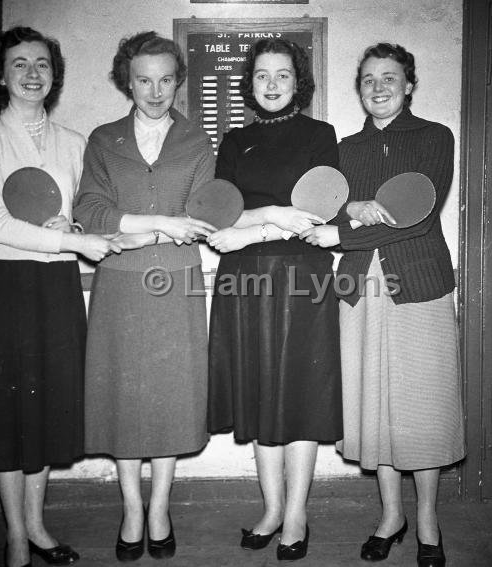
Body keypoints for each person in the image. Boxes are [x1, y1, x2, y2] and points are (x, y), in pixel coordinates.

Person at [301, 43, 465, 567]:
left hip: (418, 282)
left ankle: (428, 521)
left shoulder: (435, 137)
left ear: (409, 84)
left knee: (424, 405)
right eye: (369, 78)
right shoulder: (344, 148)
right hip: (358, 290)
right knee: (374, 405)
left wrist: (344, 235)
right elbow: (318, 205)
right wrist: (347, 211)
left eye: (389, 77)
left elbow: (416, 217)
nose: (378, 87)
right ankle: (391, 515)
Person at [0, 26, 118, 567]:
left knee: (46, 408)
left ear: (53, 75)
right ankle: (14, 535)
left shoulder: (74, 142)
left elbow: (84, 211)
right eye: (20, 64)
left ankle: (37, 526)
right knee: (11, 409)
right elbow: (0, 224)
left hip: (57, 286)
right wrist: (69, 237)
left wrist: (72, 222)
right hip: (9, 285)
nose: (32, 73)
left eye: (42, 64)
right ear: (1, 75)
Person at [72, 32, 215, 562]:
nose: (155, 91)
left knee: (171, 400)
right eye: (143, 80)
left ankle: (160, 507)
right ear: (126, 82)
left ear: (177, 82)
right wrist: (159, 225)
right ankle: (132, 508)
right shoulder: (104, 139)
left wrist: (147, 229)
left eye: (165, 80)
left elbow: (201, 215)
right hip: (119, 282)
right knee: (124, 403)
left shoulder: (198, 140)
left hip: (176, 283)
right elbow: (92, 210)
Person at [206, 38, 342, 561]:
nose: (271, 84)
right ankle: (270, 508)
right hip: (243, 279)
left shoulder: (319, 135)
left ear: (298, 81)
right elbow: (219, 211)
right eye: (262, 75)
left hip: (300, 275)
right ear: (250, 82)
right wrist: (265, 222)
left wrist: (260, 227)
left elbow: (317, 213)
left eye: (282, 75)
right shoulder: (234, 140)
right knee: (263, 393)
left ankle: (296, 513)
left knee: (299, 395)